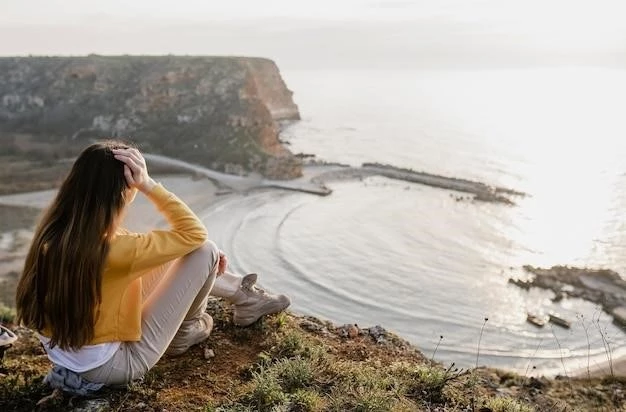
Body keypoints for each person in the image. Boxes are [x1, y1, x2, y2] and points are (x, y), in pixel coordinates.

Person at [15, 141, 290, 392]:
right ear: (123, 190)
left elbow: (173, 245)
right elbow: (195, 234)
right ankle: (187, 331)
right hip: (114, 365)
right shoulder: (113, 250)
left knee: (181, 251)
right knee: (204, 250)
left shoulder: (54, 233)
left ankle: (243, 295)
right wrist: (148, 184)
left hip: (71, 352)